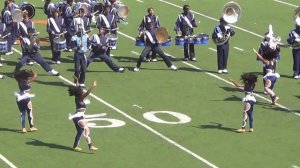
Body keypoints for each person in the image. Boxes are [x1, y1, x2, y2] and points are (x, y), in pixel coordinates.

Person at [68, 77, 98, 151]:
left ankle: (75, 146)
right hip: (79, 117)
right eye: (81, 90)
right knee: (86, 129)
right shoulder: (80, 97)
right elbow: (87, 93)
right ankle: (90, 146)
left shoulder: (77, 96)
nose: (82, 91)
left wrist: (77, 81)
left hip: (78, 117)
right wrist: (93, 86)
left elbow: (77, 87)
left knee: (80, 132)